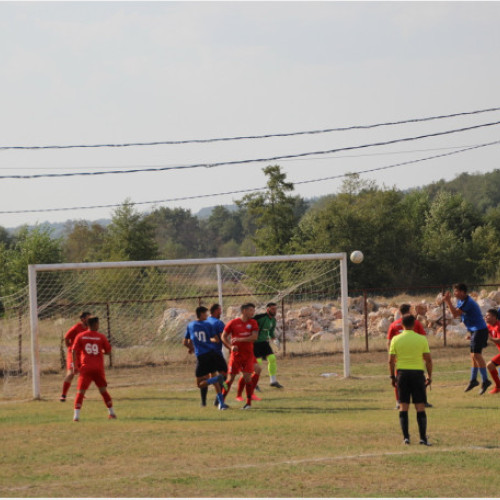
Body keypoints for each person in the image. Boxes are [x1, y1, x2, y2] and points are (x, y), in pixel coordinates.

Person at [389, 314, 433, 446]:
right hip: (417, 374)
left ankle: (406, 438)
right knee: (420, 406)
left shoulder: (396, 339)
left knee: (403, 406)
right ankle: (423, 438)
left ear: (402, 324)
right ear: (414, 325)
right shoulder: (421, 339)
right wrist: (429, 376)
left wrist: (392, 376)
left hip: (402, 374)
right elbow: (428, 360)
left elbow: (390, 361)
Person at [444, 283, 492, 394]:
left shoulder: (467, 302)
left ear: (462, 292)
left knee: (476, 355)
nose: (454, 293)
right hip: (474, 330)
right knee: (473, 356)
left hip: (479, 330)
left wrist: (448, 301)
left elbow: (455, 314)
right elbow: (457, 313)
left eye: (456, 291)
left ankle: (485, 380)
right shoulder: (461, 301)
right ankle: (473, 380)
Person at [387, 304, 432, 409]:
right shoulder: (415, 323)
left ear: (400, 312)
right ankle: (423, 401)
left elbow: (389, 342)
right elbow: (423, 338)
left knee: (398, 378)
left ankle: (399, 402)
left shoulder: (393, 325)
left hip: (399, 356)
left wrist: (391, 355)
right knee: (420, 377)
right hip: (415, 355)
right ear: (410, 311)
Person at [183, 306, 228, 410]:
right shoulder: (208, 324)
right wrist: (208, 340)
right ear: (201, 314)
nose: (207, 316)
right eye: (206, 314)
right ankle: (221, 404)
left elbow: (186, 342)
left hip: (202, 357)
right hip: (212, 354)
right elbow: (216, 340)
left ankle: (217, 379)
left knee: (199, 384)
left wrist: (192, 347)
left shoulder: (191, 325)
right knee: (214, 377)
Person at [72, 316, 116, 422]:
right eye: (98, 323)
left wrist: (75, 366)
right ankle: (112, 413)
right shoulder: (101, 337)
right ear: (95, 324)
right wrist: (102, 352)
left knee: (80, 392)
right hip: (98, 368)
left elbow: (74, 351)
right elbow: (109, 352)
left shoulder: (80, 336)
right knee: (103, 391)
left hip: (85, 367)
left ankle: (76, 416)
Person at [221, 303, 259, 409]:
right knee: (229, 379)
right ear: (244, 311)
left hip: (248, 355)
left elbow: (254, 337)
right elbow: (223, 336)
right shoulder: (233, 323)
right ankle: (221, 401)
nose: (253, 312)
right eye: (251, 310)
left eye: (253, 310)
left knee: (248, 378)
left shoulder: (253, 322)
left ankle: (248, 403)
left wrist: (240, 339)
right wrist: (230, 347)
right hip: (236, 355)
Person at [60, 311, 91, 402]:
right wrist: (69, 347)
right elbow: (66, 337)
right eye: (88, 318)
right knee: (71, 373)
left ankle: (81, 393)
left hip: (83, 355)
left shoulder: (89, 328)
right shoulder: (76, 328)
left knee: (84, 374)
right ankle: (63, 395)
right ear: (83, 319)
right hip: (73, 354)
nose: (90, 319)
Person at [201, 303, 228, 407]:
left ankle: (203, 402)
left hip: (203, 353)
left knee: (204, 376)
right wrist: (230, 347)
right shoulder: (218, 323)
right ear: (217, 311)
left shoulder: (204, 321)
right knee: (224, 375)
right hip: (215, 354)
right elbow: (223, 338)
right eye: (220, 310)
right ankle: (218, 400)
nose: (221, 312)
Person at [254, 302, 283, 388]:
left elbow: (270, 332)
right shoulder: (260, 318)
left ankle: (273, 381)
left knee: (272, 358)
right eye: (273, 309)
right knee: (258, 362)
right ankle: (254, 383)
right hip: (254, 343)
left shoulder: (273, 320)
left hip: (264, 342)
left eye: (276, 309)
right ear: (268, 309)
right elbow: (250, 323)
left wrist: (275, 340)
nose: (275, 311)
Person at [485, 308, 500, 394]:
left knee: (490, 365)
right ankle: (498, 387)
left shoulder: (498, 326)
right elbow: (481, 334)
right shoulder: (489, 326)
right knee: (490, 366)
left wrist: (490, 338)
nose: (486, 317)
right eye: (485, 316)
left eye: (488, 316)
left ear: (494, 317)